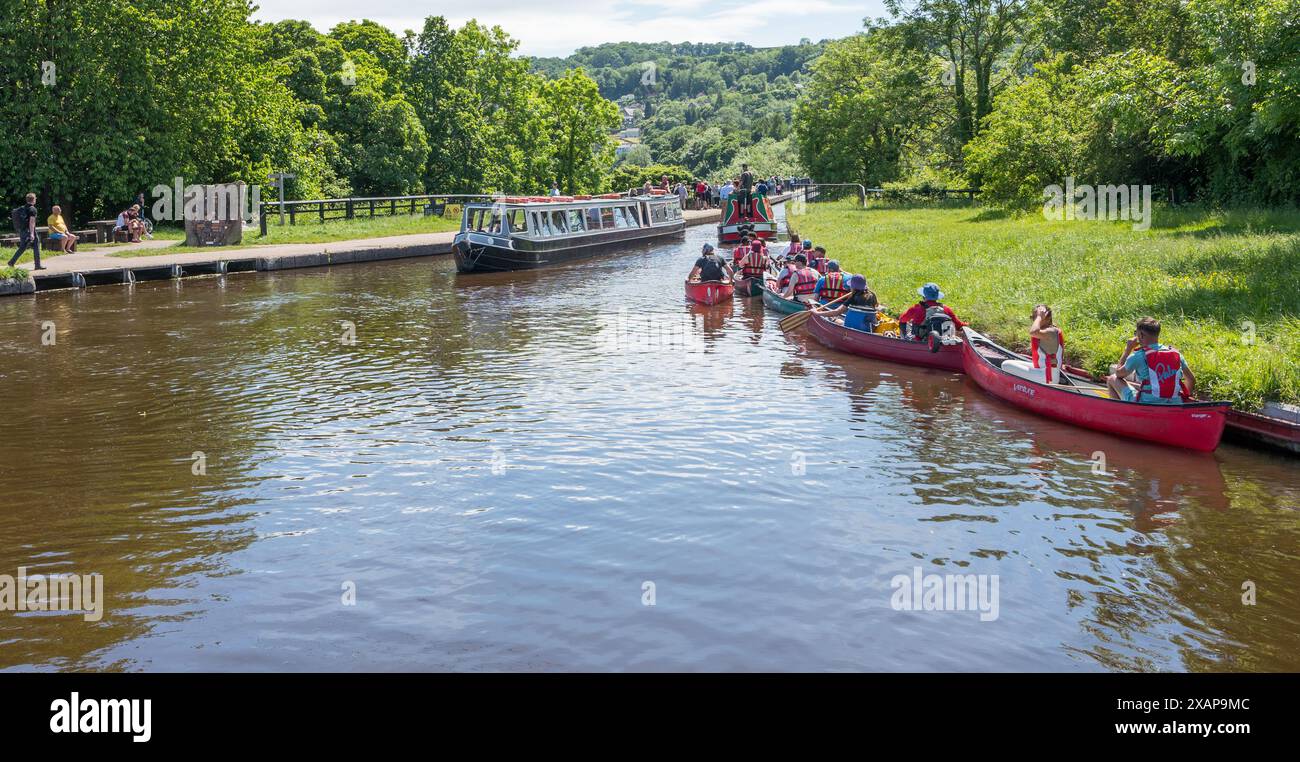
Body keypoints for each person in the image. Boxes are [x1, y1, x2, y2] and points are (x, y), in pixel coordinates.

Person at [1106, 317, 1195, 404]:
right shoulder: (1176, 353)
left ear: (1140, 334)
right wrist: (1182, 398)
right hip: (1175, 403)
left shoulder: (1138, 356)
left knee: (1112, 378)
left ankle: (1122, 413)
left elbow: (1118, 374)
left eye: (1135, 333)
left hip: (1147, 403)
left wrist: (1127, 350)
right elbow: (1191, 379)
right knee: (1139, 385)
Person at [898, 282, 965, 341]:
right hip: (942, 340)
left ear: (924, 295)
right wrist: (966, 324)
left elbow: (902, 319)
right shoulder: (946, 309)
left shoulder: (917, 308)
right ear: (937, 296)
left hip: (920, 340)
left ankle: (904, 340)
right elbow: (959, 325)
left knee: (903, 323)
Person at [813, 275, 879, 327]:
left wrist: (817, 313)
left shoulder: (853, 298)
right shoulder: (873, 295)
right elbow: (876, 306)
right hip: (868, 327)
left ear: (853, 287)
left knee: (834, 319)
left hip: (852, 326)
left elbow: (837, 312)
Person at [1029, 304, 1065, 383]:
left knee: (1006, 365)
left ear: (1048, 318)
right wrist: (1039, 317)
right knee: (1011, 363)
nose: (1034, 320)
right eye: (1033, 317)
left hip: (1048, 377)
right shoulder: (1044, 331)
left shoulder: (1051, 332)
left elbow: (1033, 332)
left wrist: (1039, 317)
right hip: (1041, 371)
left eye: (1037, 317)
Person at [8, 193, 44, 269]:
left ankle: (11, 262)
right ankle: (37, 265)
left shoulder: (22, 208)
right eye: (35, 199)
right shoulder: (32, 209)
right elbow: (32, 222)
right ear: (34, 200)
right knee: (36, 245)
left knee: (22, 247)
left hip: (22, 230)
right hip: (29, 231)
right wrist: (31, 234)